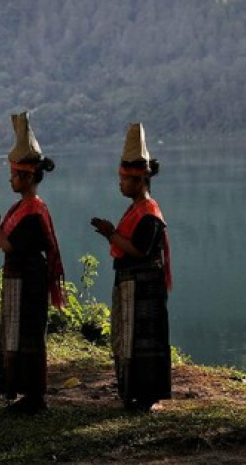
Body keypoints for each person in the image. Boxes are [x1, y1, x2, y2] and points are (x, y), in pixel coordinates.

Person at [0, 111, 65, 415]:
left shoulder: (33, 210)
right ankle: (23, 393)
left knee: (30, 334)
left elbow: (10, 247)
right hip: (16, 279)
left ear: (27, 176)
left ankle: (35, 396)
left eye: (15, 175)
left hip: (29, 278)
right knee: (15, 332)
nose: (11, 179)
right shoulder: (20, 207)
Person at [90, 122, 172, 412]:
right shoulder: (137, 210)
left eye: (125, 179)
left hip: (144, 289)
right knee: (128, 340)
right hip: (131, 286)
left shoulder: (149, 213)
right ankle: (133, 392)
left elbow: (139, 249)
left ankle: (146, 396)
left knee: (144, 343)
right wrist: (111, 233)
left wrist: (111, 234)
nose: (120, 183)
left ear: (140, 181)